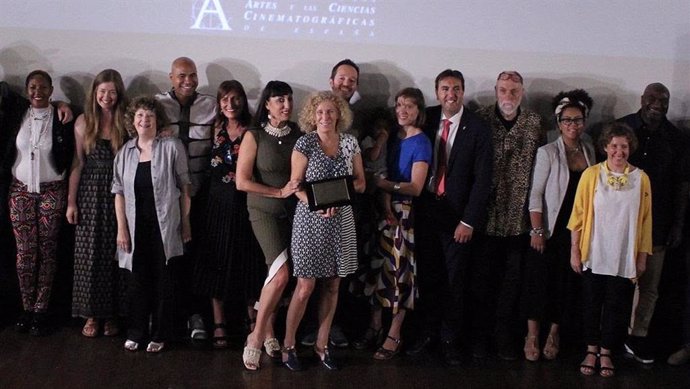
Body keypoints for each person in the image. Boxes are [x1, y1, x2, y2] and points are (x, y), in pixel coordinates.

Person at [408, 69, 493, 366]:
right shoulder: (427, 119)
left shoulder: (478, 128)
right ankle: (427, 333)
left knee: (455, 281)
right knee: (428, 276)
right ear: (437, 91)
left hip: (458, 218)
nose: (451, 94)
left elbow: (483, 180)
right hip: (427, 212)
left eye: (456, 88)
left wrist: (468, 221)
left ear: (463, 91)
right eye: (445, 89)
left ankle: (449, 338)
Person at [281, 90, 365, 371]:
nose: (325, 117)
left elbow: (361, 183)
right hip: (310, 221)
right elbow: (295, 186)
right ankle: (289, 345)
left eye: (330, 112)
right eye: (319, 113)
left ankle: (322, 344)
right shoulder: (305, 143)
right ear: (311, 116)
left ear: (339, 113)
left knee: (333, 285)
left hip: (342, 220)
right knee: (305, 287)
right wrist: (318, 205)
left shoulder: (350, 143)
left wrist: (338, 199)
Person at [569, 122, 652, 377]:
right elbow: (578, 215)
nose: (619, 151)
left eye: (624, 146)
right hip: (595, 252)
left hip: (623, 256)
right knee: (592, 304)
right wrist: (574, 249)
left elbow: (647, 221)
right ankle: (591, 349)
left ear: (630, 148)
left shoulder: (641, 178)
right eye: (614, 145)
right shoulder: (591, 174)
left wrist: (641, 257)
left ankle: (607, 352)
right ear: (605, 147)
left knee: (618, 306)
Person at [354, 88, 431, 359]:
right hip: (378, 211)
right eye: (399, 105)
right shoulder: (392, 137)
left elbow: (416, 187)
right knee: (376, 271)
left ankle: (394, 333)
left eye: (409, 106)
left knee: (400, 275)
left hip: (403, 213)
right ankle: (375, 327)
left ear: (419, 111)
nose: (402, 110)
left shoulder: (421, 142)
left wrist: (384, 184)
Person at [112, 96, 192, 353]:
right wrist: (121, 229)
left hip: (165, 226)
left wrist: (186, 223)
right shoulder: (124, 152)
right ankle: (136, 331)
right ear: (132, 121)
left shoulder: (171, 146)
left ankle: (159, 333)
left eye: (150, 116)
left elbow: (185, 188)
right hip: (135, 229)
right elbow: (119, 193)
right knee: (137, 282)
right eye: (139, 116)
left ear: (158, 120)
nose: (144, 120)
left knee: (163, 282)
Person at [475, 70, 545, 360]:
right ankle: (479, 338)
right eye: (503, 90)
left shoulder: (534, 123)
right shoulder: (479, 119)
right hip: (484, 217)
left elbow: (540, 173)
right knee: (481, 281)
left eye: (514, 91)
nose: (508, 96)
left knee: (511, 283)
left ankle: (503, 336)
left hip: (518, 220)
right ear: (495, 91)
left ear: (522, 93)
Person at [0, 70, 75, 336]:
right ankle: (25, 307)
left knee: (47, 251)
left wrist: (63, 106)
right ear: (26, 89)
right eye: (32, 87)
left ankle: (41, 309)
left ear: (52, 90)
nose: (37, 92)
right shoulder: (16, 114)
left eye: (43, 87)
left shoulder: (62, 116)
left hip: (52, 191)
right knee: (24, 254)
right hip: (19, 192)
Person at [615, 83, 686, 365]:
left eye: (664, 100)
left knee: (650, 286)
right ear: (641, 99)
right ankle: (612, 337)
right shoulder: (622, 129)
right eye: (653, 98)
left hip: (659, 223)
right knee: (618, 282)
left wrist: (678, 225)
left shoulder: (676, 139)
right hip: (620, 223)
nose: (658, 104)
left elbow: (682, 185)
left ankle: (637, 339)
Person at [523, 89, 595, 361]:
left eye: (577, 120)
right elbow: (535, 193)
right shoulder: (548, 152)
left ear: (584, 122)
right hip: (549, 228)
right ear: (558, 123)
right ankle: (531, 335)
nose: (572, 126)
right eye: (567, 120)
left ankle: (554, 333)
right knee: (538, 282)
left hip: (576, 231)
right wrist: (537, 230)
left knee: (565, 285)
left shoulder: (590, 151)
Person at [191, 80, 263, 349]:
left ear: (243, 100)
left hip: (244, 201)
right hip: (215, 202)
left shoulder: (253, 130)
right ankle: (219, 323)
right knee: (215, 260)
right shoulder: (217, 127)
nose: (230, 104)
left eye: (235, 99)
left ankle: (253, 322)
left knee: (247, 261)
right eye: (224, 99)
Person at [236, 81, 301, 370]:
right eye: (279, 100)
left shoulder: (299, 134)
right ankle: (256, 336)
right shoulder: (255, 134)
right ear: (266, 104)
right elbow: (242, 182)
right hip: (263, 211)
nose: (286, 105)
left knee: (274, 276)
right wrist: (277, 192)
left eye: (288, 99)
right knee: (281, 274)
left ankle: (271, 332)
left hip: (294, 214)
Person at [156, 56, 216, 340]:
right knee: (168, 258)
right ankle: (168, 316)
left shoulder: (211, 104)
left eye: (192, 75)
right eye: (181, 75)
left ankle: (197, 316)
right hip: (165, 195)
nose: (188, 81)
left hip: (202, 193)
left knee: (198, 257)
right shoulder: (157, 105)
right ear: (171, 77)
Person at [67, 69, 129, 338]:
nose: (106, 96)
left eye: (112, 92)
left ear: (119, 94)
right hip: (90, 194)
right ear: (94, 93)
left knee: (116, 254)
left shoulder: (125, 122)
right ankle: (91, 314)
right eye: (102, 91)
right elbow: (77, 163)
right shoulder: (83, 122)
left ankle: (112, 315)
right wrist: (71, 201)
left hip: (119, 194)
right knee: (89, 257)